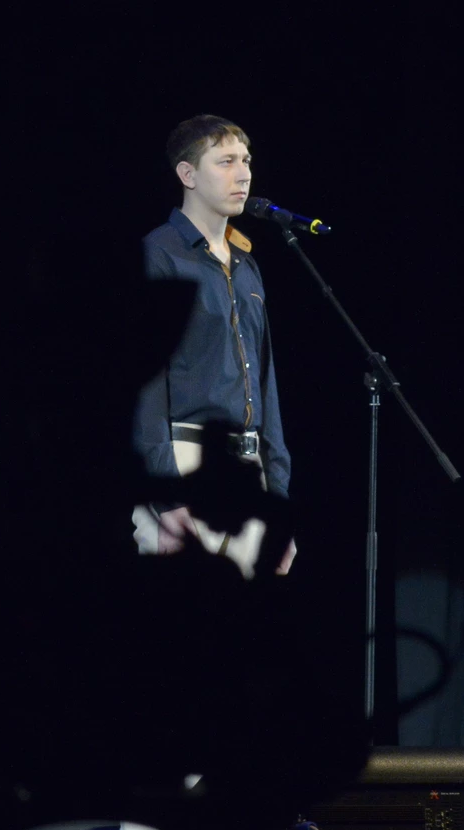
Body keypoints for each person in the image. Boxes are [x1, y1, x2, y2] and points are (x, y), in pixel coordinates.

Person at [132, 114, 298, 580]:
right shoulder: (157, 255)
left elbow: (264, 382)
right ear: (187, 174)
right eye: (226, 162)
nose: (243, 174)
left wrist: (277, 495)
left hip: (247, 470)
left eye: (246, 160)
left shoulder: (246, 266)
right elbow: (143, 385)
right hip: (185, 462)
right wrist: (167, 495)